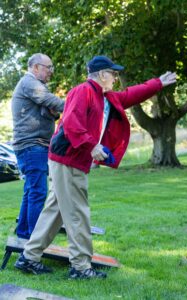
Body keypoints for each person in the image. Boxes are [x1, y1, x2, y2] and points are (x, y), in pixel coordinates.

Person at [14, 55, 176, 279]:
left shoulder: (104, 96)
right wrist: (92, 146)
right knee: (78, 212)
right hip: (68, 159)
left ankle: (28, 258)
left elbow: (130, 95)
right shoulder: (83, 91)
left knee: (56, 211)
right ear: (102, 75)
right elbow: (71, 123)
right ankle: (81, 267)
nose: (116, 79)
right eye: (113, 74)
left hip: (69, 160)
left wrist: (157, 84)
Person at [11, 53, 65, 240]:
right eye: (47, 67)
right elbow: (52, 103)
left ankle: (25, 234)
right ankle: (35, 241)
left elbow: (50, 112)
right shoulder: (29, 83)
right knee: (38, 192)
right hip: (31, 146)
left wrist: (53, 111)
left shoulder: (39, 86)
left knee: (31, 190)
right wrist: (74, 106)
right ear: (35, 67)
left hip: (35, 146)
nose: (51, 71)